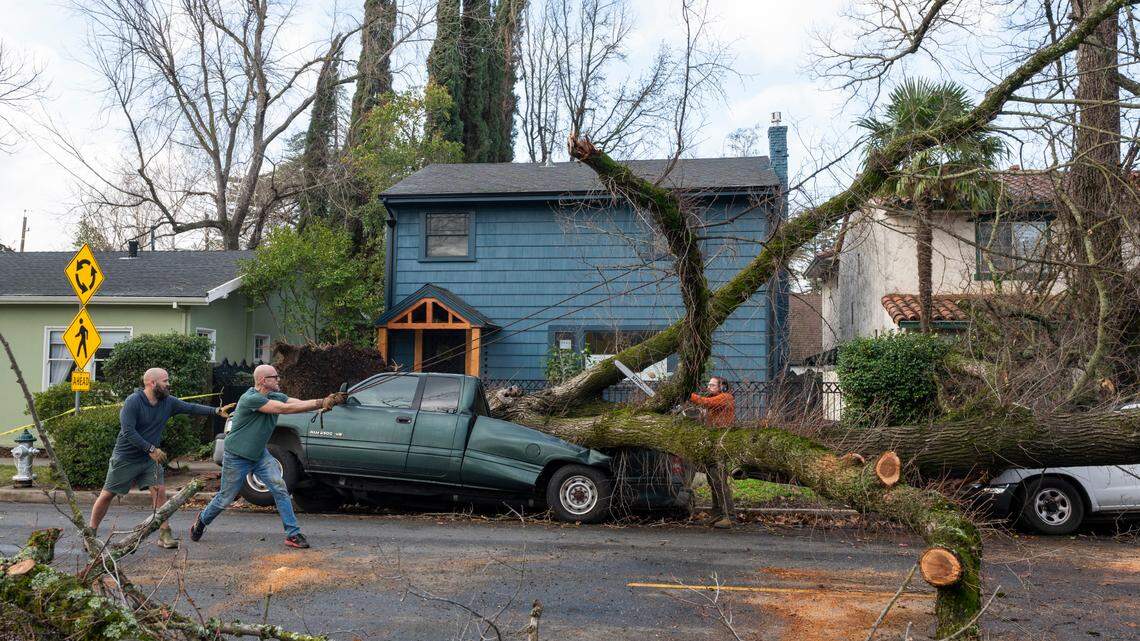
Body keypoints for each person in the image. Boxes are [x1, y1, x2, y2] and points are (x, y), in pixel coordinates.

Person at [190, 364, 345, 549]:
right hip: (237, 456)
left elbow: (294, 403)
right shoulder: (250, 399)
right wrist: (320, 402)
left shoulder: (274, 395)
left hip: (259, 454)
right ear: (263, 380)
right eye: (275, 377)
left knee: (280, 488)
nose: (279, 380)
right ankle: (202, 520)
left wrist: (327, 400)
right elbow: (283, 409)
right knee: (225, 498)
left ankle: (293, 534)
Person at [88, 367, 235, 549]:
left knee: (159, 491)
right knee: (107, 494)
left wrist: (215, 411)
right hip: (126, 457)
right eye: (165, 381)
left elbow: (190, 407)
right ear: (152, 383)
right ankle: (90, 533)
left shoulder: (168, 402)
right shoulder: (133, 402)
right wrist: (150, 448)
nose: (168, 384)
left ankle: (164, 533)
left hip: (150, 459)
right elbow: (128, 432)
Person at [689, 376, 736, 529]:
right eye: (708, 384)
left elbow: (706, 402)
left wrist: (688, 394)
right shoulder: (714, 400)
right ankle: (716, 514)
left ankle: (729, 516)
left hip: (721, 445)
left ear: (722, 386)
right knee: (712, 481)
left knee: (720, 481)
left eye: (712, 385)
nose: (709, 387)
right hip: (712, 444)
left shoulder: (726, 398)